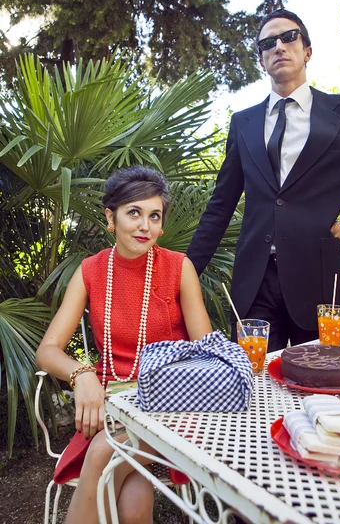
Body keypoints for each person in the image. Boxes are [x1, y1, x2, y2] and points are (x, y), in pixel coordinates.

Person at [187, 8, 340, 352]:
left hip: (320, 283)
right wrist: (185, 271)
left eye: (289, 37)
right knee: (253, 390)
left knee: (324, 390)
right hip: (253, 285)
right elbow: (221, 205)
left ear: (307, 52)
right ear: (261, 60)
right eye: (268, 43)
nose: (279, 47)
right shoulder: (244, 123)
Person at [36, 165, 212, 524]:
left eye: (154, 215)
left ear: (162, 225)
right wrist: (82, 373)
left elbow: (207, 354)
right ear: (110, 218)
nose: (144, 225)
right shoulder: (90, 271)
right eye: (134, 212)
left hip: (172, 407)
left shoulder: (179, 267)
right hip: (114, 405)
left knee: (104, 451)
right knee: (134, 505)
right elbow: (48, 349)